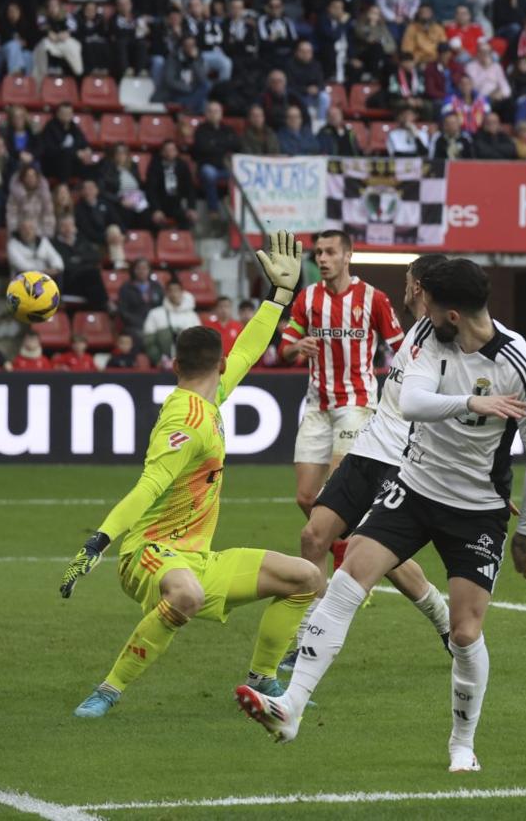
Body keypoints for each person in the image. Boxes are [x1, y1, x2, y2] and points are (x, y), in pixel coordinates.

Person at [237, 258, 526, 776]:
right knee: (347, 580)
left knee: (466, 632)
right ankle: (291, 706)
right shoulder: (430, 336)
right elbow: (411, 401)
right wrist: (475, 405)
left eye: (426, 299)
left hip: (476, 510)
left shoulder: (521, 366)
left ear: (453, 312)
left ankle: (461, 745)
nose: (418, 305)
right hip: (413, 486)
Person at [61, 232, 322, 719]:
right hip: (148, 554)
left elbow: (245, 350)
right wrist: (99, 542)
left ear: (175, 364)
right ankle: (109, 690)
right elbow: (150, 486)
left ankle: (263, 677)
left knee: (306, 577)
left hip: (196, 556)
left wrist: (280, 298)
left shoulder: (208, 396)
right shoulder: (186, 419)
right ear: (216, 365)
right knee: (186, 595)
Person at [279, 255, 454, 672]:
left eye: (410, 281)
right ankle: (304, 637)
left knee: (373, 553)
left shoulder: (447, 342)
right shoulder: (417, 329)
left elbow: (454, 410)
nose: (405, 286)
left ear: (421, 288)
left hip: (400, 461)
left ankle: (443, 619)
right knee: (313, 536)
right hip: (367, 448)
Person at [278, 230, 405, 518]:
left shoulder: (373, 298)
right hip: (317, 405)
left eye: (330, 252)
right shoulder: (307, 298)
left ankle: (348, 559)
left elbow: (403, 348)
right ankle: (367, 552)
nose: (322, 258)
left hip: (356, 404)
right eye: (319, 252)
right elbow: (285, 349)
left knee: (336, 498)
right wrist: (298, 344)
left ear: (348, 256)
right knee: (306, 497)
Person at [192, 101, 240, 217]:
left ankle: (236, 209)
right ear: (206, 114)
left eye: (216, 111)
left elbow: (237, 145)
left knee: (240, 175)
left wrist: (215, 144)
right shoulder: (201, 130)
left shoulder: (227, 129)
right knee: (209, 173)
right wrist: (223, 145)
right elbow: (203, 148)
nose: (213, 114)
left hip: (225, 168)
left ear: (221, 113)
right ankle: (213, 210)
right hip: (207, 166)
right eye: (210, 111)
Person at [143, 280, 203, 365]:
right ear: (166, 293)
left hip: (189, 366)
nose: (174, 294)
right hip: (162, 366)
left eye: (177, 290)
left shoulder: (192, 316)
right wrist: (158, 360)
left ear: (182, 292)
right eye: (170, 290)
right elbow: (149, 341)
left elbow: (199, 341)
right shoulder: (155, 313)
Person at [145, 140, 198, 227]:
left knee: (188, 219)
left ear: (176, 151)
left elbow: (190, 188)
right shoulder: (155, 166)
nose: (170, 153)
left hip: (176, 204)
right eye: (167, 150)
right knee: (153, 221)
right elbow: (151, 189)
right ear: (162, 152)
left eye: (172, 150)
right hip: (160, 204)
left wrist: (191, 208)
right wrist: (156, 209)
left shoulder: (182, 165)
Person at [119, 258, 165, 335]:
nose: (141, 271)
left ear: (149, 270)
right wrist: (139, 323)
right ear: (133, 270)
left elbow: (163, 306)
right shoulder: (126, 288)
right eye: (138, 268)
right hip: (135, 326)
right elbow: (123, 311)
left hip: (156, 323)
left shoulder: (157, 286)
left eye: (144, 268)